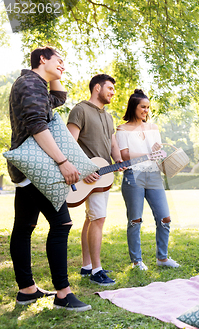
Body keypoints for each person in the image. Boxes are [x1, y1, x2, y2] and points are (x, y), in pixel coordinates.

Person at [7, 46, 90, 311]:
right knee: (61, 223)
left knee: (24, 226)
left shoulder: (35, 84)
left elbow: (59, 97)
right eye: (59, 61)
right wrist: (63, 162)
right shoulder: (30, 83)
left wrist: (54, 72)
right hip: (36, 167)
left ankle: (27, 290)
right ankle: (63, 294)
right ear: (42, 59)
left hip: (26, 168)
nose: (63, 66)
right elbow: (37, 125)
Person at [67, 74, 125, 286]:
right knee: (98, 219)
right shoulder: (80, 110)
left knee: (92, 219)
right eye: (109, 88)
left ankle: (87, 266)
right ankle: (96, 271)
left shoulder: (109, 117)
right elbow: (70, 144)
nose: (112, 92)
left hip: (103, 175)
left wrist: (118, 159)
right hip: (87, 176)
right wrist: (83, 170)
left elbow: (112, 142)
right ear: (97, 88)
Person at [115, 89, 179, 270]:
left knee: (165, 218)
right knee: (135, 220)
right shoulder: (122, 129)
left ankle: (163, 258)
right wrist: (149, 154)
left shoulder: (153, 128)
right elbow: (125, 155)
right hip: (133, 175)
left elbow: (157, 151)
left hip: (154, 175)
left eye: (148, 107)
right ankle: (137, 261)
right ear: (133, 107)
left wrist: (163, 157)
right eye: (143, 107)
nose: (146, 110)